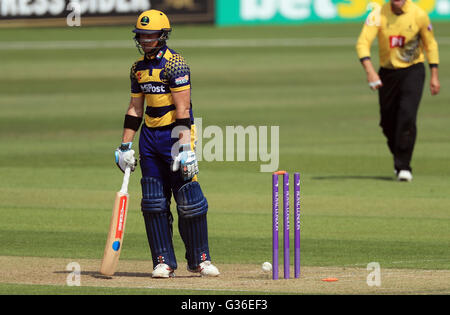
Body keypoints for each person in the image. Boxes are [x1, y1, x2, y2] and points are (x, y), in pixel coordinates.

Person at [114, 9, 219, 278]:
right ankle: (163, 261)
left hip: (176, 136)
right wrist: (125, 146)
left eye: (150, 36)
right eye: (141, 36)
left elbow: (183, 110)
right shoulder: (137, 69)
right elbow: (135, 109)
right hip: (150, 140)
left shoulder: (176, 65)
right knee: (153, 202)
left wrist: (186, 149)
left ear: (162, 35)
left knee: (189, 200)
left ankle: (201, 260)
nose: (145, 40)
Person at [356, 0, 440, 182]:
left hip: (413, 70)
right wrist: (370, 72)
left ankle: (403, 166)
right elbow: (363, 43)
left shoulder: (419, 14)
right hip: (387, 74)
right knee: (387, 123)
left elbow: (431, 44)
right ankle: (400, 156)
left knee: (407, 116)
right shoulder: (377, 14)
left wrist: (434, 74)